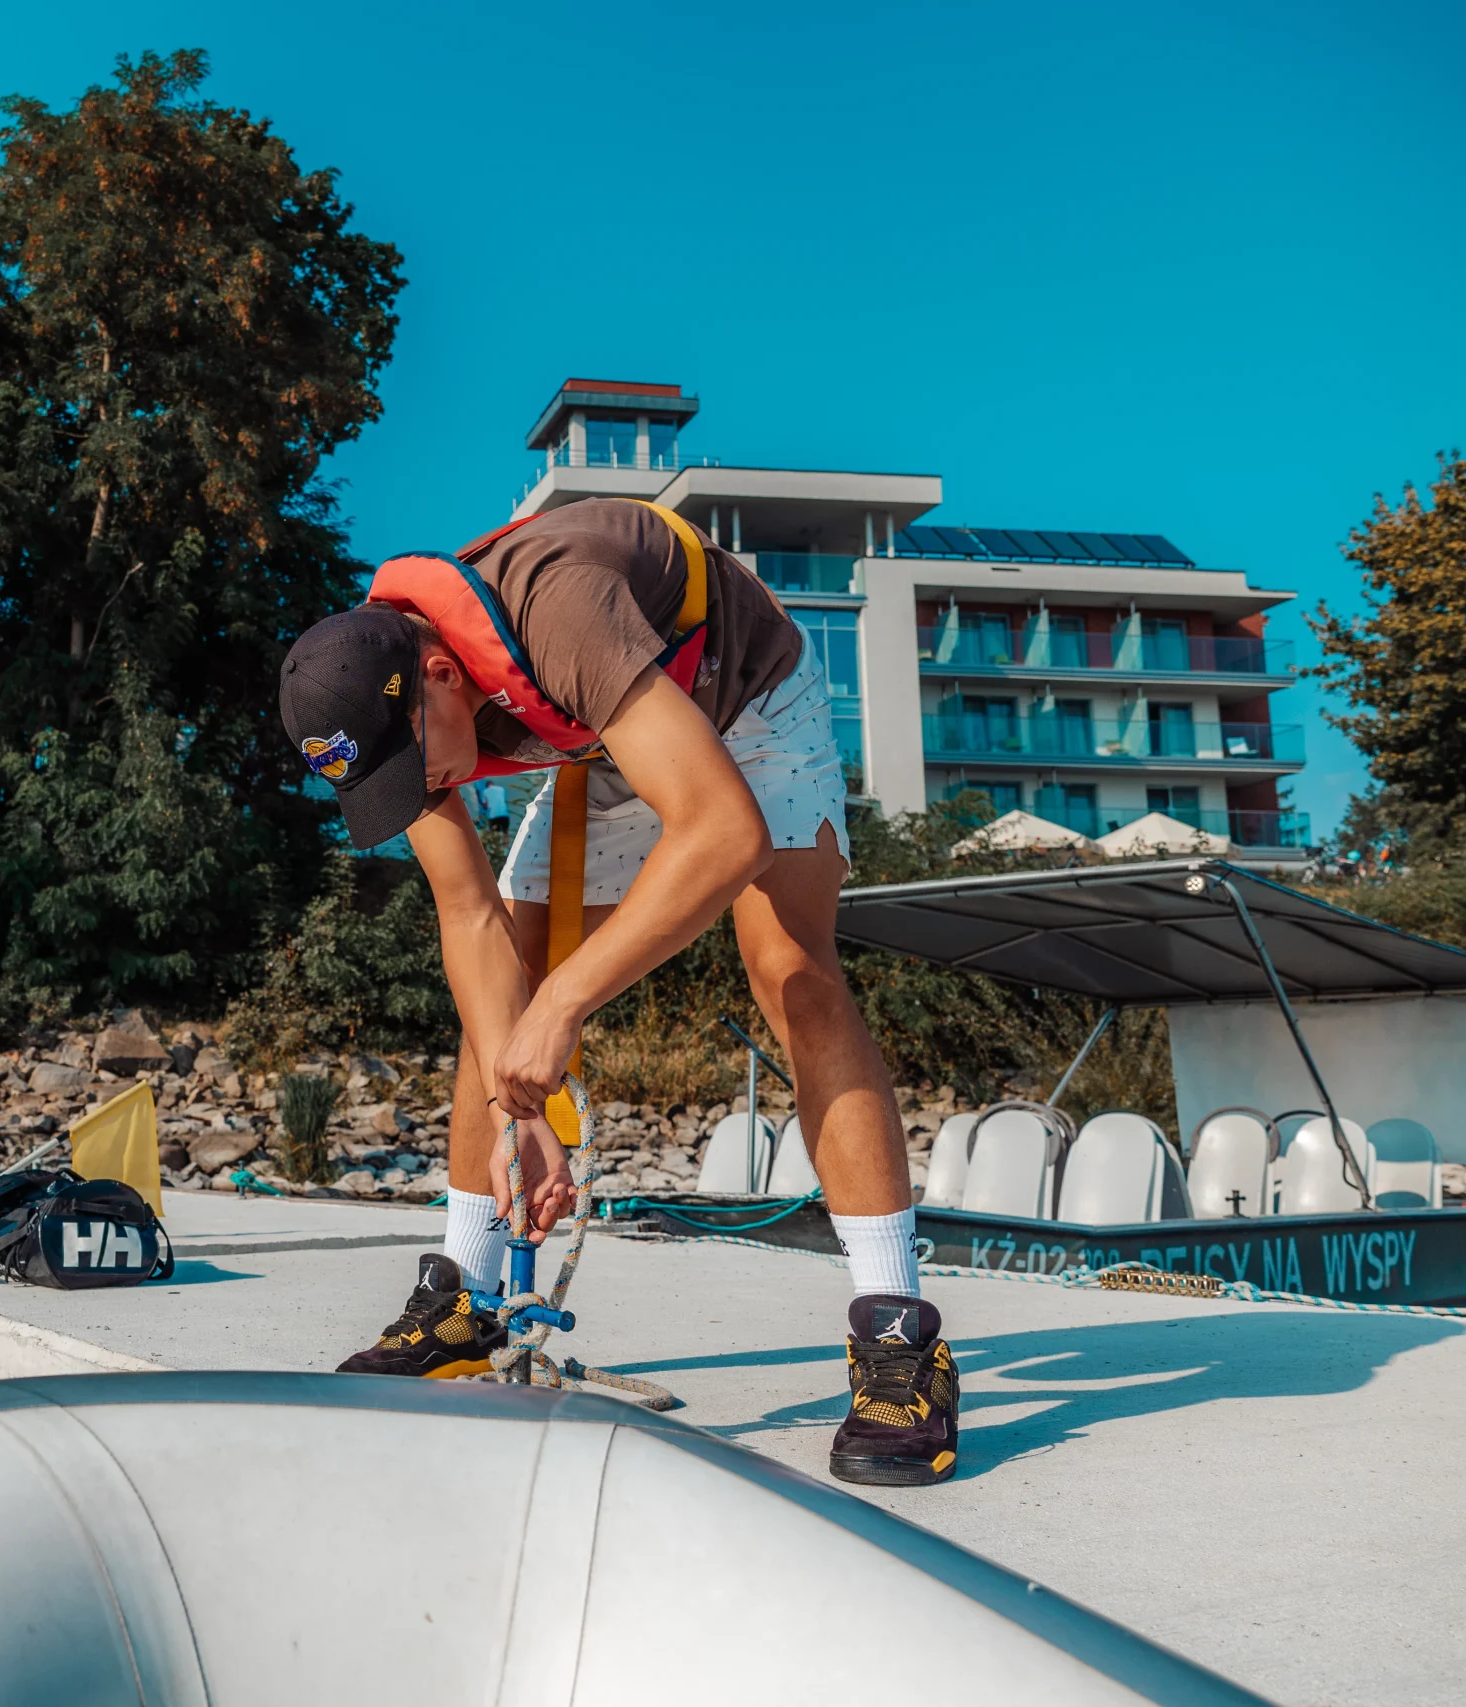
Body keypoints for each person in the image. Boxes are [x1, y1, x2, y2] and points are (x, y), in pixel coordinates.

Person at [279, 496, 959, 1488]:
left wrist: (561, 1010)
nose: (413, 791)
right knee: (508, 983)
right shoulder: (384, 695)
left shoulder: (561, 612)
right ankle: (465, 1296)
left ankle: (899, 1338)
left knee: (791, 972)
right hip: (613, 734)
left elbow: (723, 833)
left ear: (440, 676)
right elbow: (469, 920)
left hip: (747, 697)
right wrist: (520, 1109)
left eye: (409, 766)